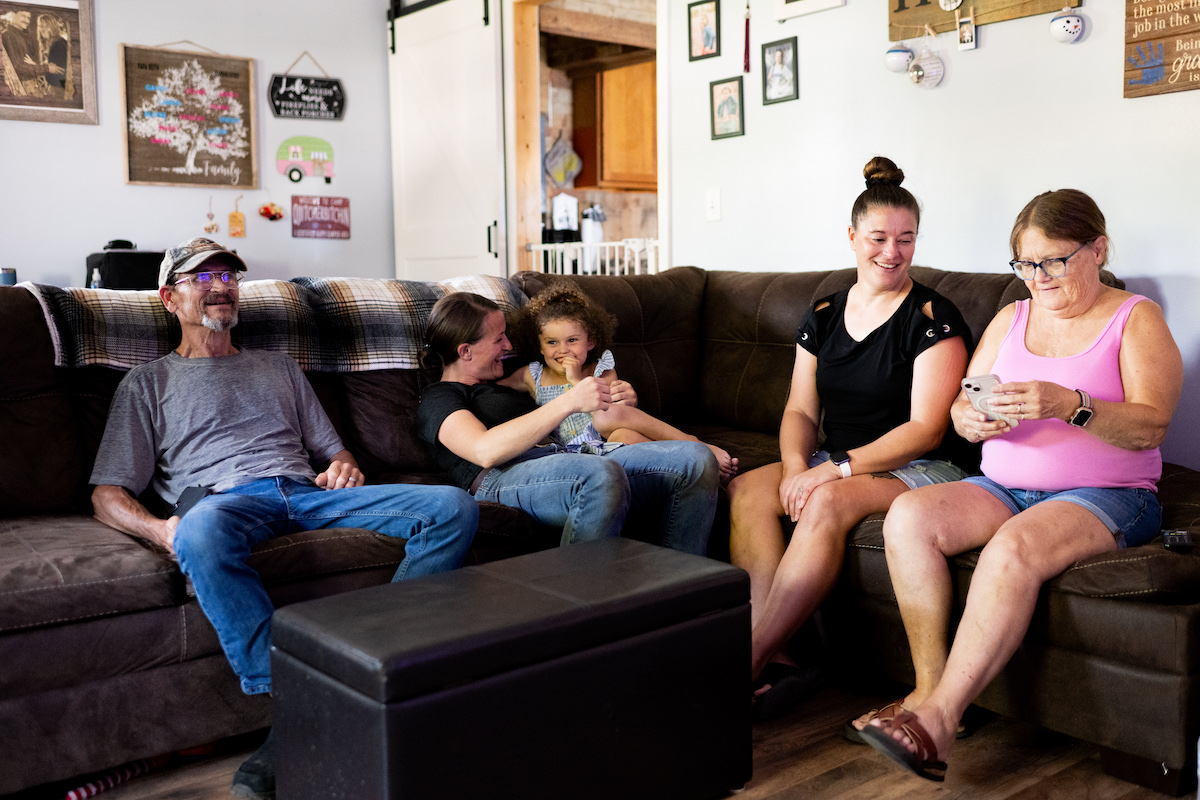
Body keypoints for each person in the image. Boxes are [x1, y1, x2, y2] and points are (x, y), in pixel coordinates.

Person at [90, 237, 479, 800]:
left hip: (305, 492)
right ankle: (301, 702)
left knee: (452, 507)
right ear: (169, 299)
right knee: (197, 533)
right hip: (226, 501)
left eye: (228, 276)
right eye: (202, 278)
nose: (221, 286)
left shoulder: (278, 367)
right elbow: (107, 493)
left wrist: (343, 468)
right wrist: (160, 529)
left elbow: (336, 453)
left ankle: (374, 660)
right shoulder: (148, 384)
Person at [859, 189, 1182, 781]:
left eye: (1054, 261)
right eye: (1026, 265)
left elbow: (1151, 425)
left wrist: (1072, 406)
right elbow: (961, 405)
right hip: (1003, 485)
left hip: (1110, 496)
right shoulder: (1013, 316)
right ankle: (932, 694)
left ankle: (936, 723)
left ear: (1097, 249)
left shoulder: (1133, 317)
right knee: (907, 518)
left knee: (1012, 549)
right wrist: (971, 420)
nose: (1039, 277)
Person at [726, 156, 970, 721]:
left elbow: (926, 429)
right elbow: (800, 409)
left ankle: (747, 661)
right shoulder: (824, 312)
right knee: (747, 493)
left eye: (906, 240)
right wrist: (793, 466)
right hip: (834, 457)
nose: (892, 252)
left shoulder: (934, 317)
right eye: (879, 238)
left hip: (922, 464)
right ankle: (777, 652)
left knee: (827, 499)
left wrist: (829, 471)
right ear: (853, 237)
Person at [416, 291, 719, 555]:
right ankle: (580, 610)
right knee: (599, 475)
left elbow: (583, 398)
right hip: (504, 476)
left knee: (695, 460)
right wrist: (571, 401)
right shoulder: (439, 397)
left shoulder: (507, 382)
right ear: (465, 351)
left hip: (575, 457)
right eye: (498, 339)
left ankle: (680, 587)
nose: (509, 345)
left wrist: (617, 394)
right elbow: (484, 450)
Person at [499, 280, 737, 478]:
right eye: (552, 342)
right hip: (574, 459)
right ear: (539, 346)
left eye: (572, 340)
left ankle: (693, 446)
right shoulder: (532, 375)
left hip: (608, 441)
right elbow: (491, 389)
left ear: (590, 341)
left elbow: (614, 409)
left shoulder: (599, 367)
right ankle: (693, 467)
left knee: (609, 419)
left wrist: (576, 379)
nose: (563, 350)